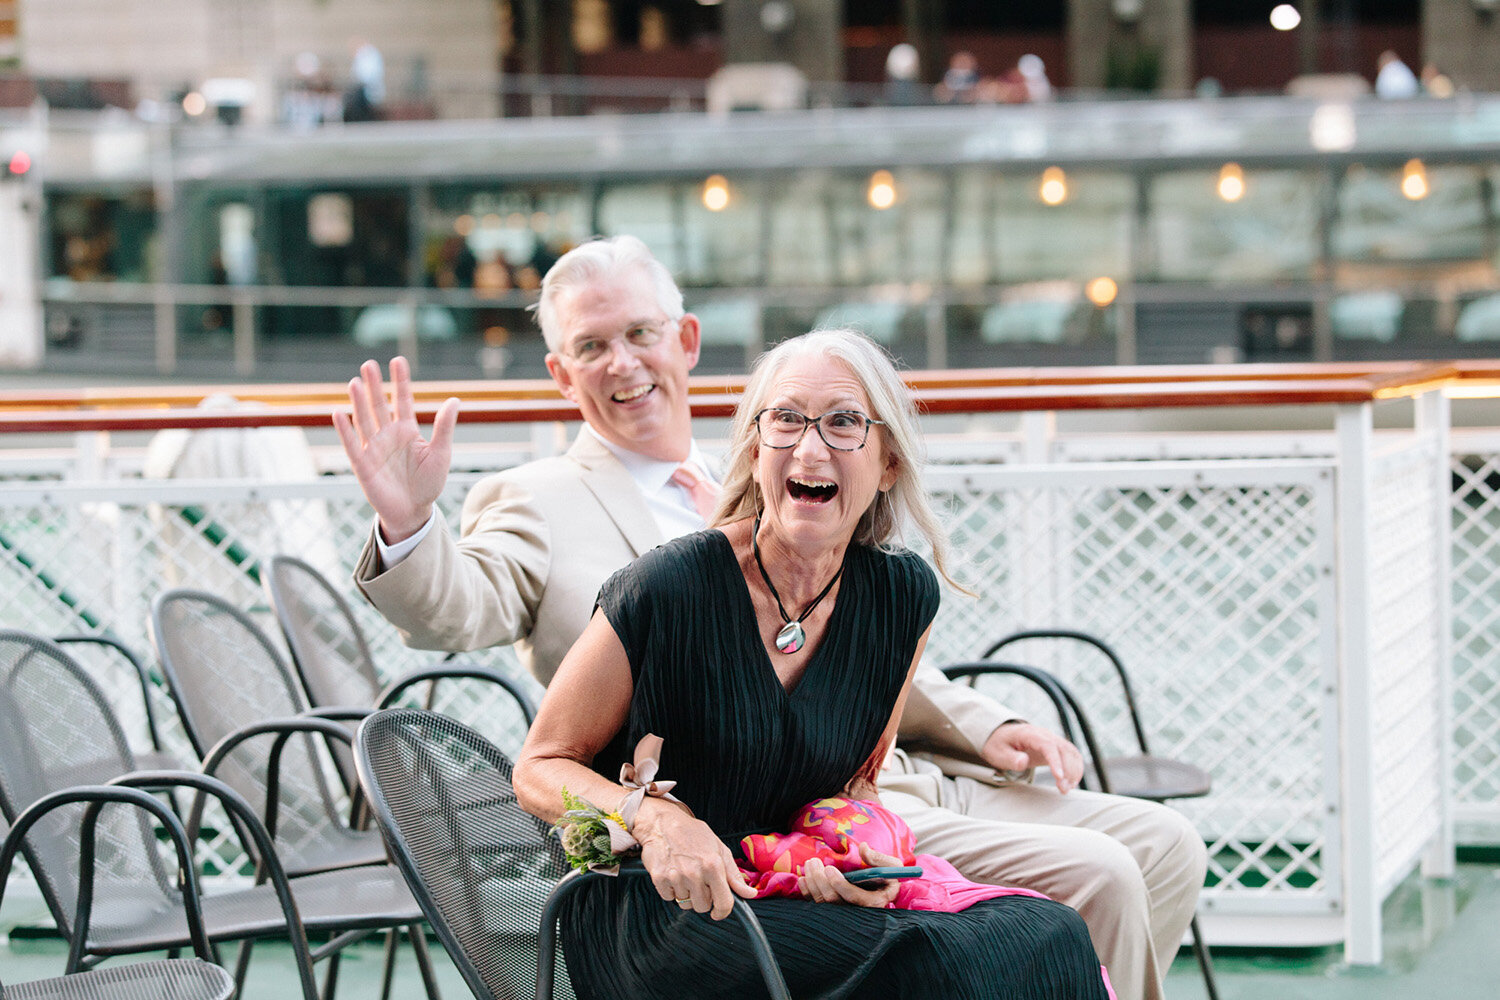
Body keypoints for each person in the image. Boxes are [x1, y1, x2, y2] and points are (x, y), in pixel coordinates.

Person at [334, 235, 1204, 1000]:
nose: (623, 363)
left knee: (1138, 863)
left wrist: (984, 732)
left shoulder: (838, 522)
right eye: (591, 346)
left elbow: (875, 672)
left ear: (685, 342)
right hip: (679, 878)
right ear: (562, 373)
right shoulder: (569, 518)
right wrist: (410, 525)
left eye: (639, 334)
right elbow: (465, 611)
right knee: (1028, 925)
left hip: (852, 802)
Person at [512, 328, 1113, 999]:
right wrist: (655, 820)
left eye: (844, 422)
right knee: (944, 965)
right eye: (787, 420)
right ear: (755, 447)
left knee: (1051, 932)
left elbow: (855, 788)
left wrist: (855, 859)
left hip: (792, 890)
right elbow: (540, 765)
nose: (810, 446)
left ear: (887, 462)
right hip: (662, 911)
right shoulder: (668, 586)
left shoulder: (902, 596)